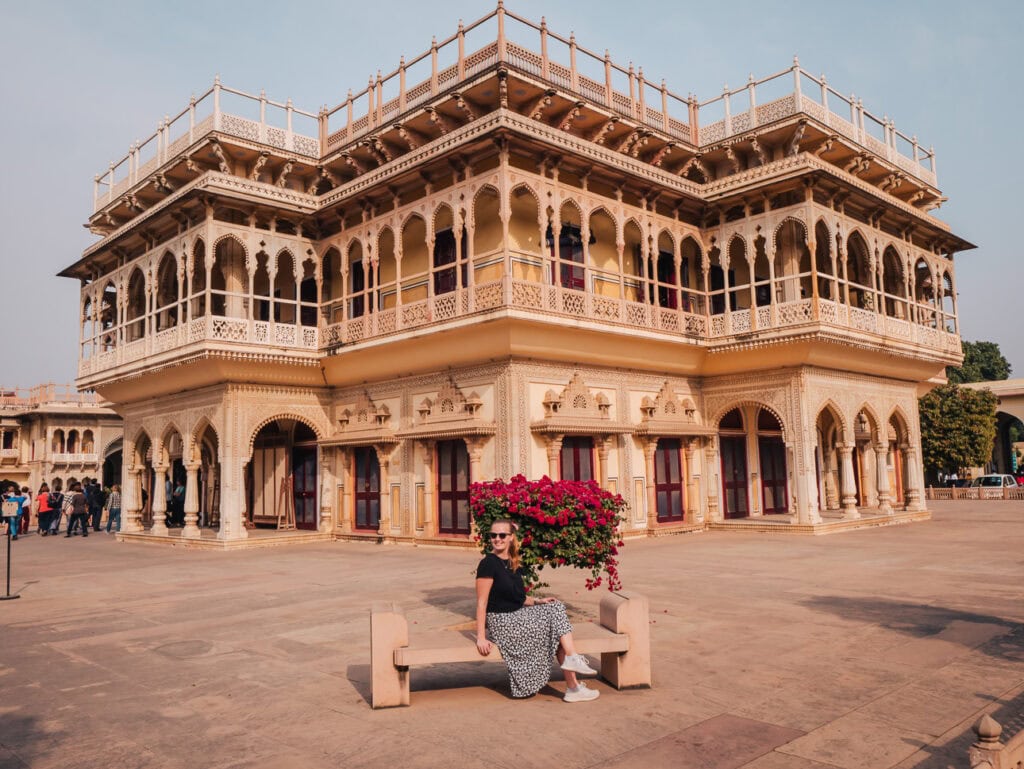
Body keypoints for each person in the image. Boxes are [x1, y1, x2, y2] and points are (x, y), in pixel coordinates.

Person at [475, 518, 599, 702]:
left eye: (502, 535)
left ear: (511, 537)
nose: (497, 539)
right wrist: (481, 637)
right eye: (493, 535)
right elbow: (482, 602)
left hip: (518, 616)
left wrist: (537, 601)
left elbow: (515, 596)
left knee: (555, 612)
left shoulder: (512, 561)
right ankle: (573, 674)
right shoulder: (488, 563)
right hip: (502, 621)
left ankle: (574, 686)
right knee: (556, 616)